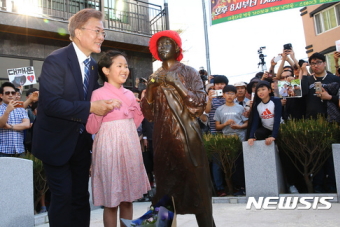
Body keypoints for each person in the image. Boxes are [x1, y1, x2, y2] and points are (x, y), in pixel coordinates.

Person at [32, 9, 118, 227]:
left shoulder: (91, 64)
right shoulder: (56, 60)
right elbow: (51, 104)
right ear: (79, 32)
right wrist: (91, 107)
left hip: (80, 144)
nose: (101, 36)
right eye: (97, 31)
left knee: (81, 198)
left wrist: (119, 98)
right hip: (55, 143)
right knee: (62, 198)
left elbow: (94, 95)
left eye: (103, 33)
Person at [141, 30, 215, 227]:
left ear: (177, 48)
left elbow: (199, 104)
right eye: (160, 45)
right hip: (162, 141)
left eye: (168, 43)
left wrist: (178, 85)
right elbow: (148, 114)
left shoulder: (189, 72)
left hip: (187, 137)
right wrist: (150, 89)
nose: (163, 47)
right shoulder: (154, 76)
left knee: (198, 188)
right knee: (165, 191)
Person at [86, 50, 150, 226]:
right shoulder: (97, 94)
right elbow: (91, 127)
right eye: (119, 66)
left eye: (126, 66)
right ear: (106, 70)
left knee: (128, 199)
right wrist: (102, 110)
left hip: (129, 146)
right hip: (109, 148)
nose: (125, 69)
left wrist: (140, 109)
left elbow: (134, 124)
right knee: (111, 201)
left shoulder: (130, 94)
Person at [301, 52, 340, 193]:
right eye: (312, 63)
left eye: (318, 62)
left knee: (331, 155)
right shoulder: (307, 80)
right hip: (311, 122)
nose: (315, 65)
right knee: (315, 156)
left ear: (324, 63)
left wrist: (329, 97)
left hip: (331, 122)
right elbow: (298, 100)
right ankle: (318, 185)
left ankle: (332, 184)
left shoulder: (335, 79)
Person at [214, 85, 248, 196]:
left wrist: (239, 127)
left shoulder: (240, 108)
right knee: (229, 165)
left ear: (236, 95)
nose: (230, 95)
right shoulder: (219, 109)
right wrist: (225, 124)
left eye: (232, 93)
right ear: (223, 95)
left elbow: (246, 123)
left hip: (239, 139)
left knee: (239, 164)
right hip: (226, 141)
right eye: (227, 93)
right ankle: (232, 188)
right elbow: (217, 127)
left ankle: (241, 187)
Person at [205, 75, 228, 197]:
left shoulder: (229, 96)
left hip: (229, 132)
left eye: (223, 84)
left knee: (230, 161)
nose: (221, 86)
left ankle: (230, 186)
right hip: (215, 133)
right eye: (218, 83)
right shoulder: (211, 98)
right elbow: (207, 111)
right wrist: (209, 99)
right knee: (217, 163)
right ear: (214, 85)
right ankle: (219, 188)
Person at [0, 82, 30, 157]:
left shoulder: (21, 109)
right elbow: (1, 124)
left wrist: (10, 126)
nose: (10, 95)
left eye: (13, 93)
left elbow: (27, 124)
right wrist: (7, 111)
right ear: (1, 95)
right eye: (7, 93)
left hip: (19, 150)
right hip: (2, 151)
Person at [247, 81, 282, 146]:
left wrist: (273, 136)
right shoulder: (257, 104)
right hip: (267, 128)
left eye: (263, 89)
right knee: (258, 133)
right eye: (258, 90)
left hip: (279, 127)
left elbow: (277, 119)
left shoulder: (276, 101)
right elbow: (255, 122)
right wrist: (251, 137)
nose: (261, 92)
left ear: (269, 90)